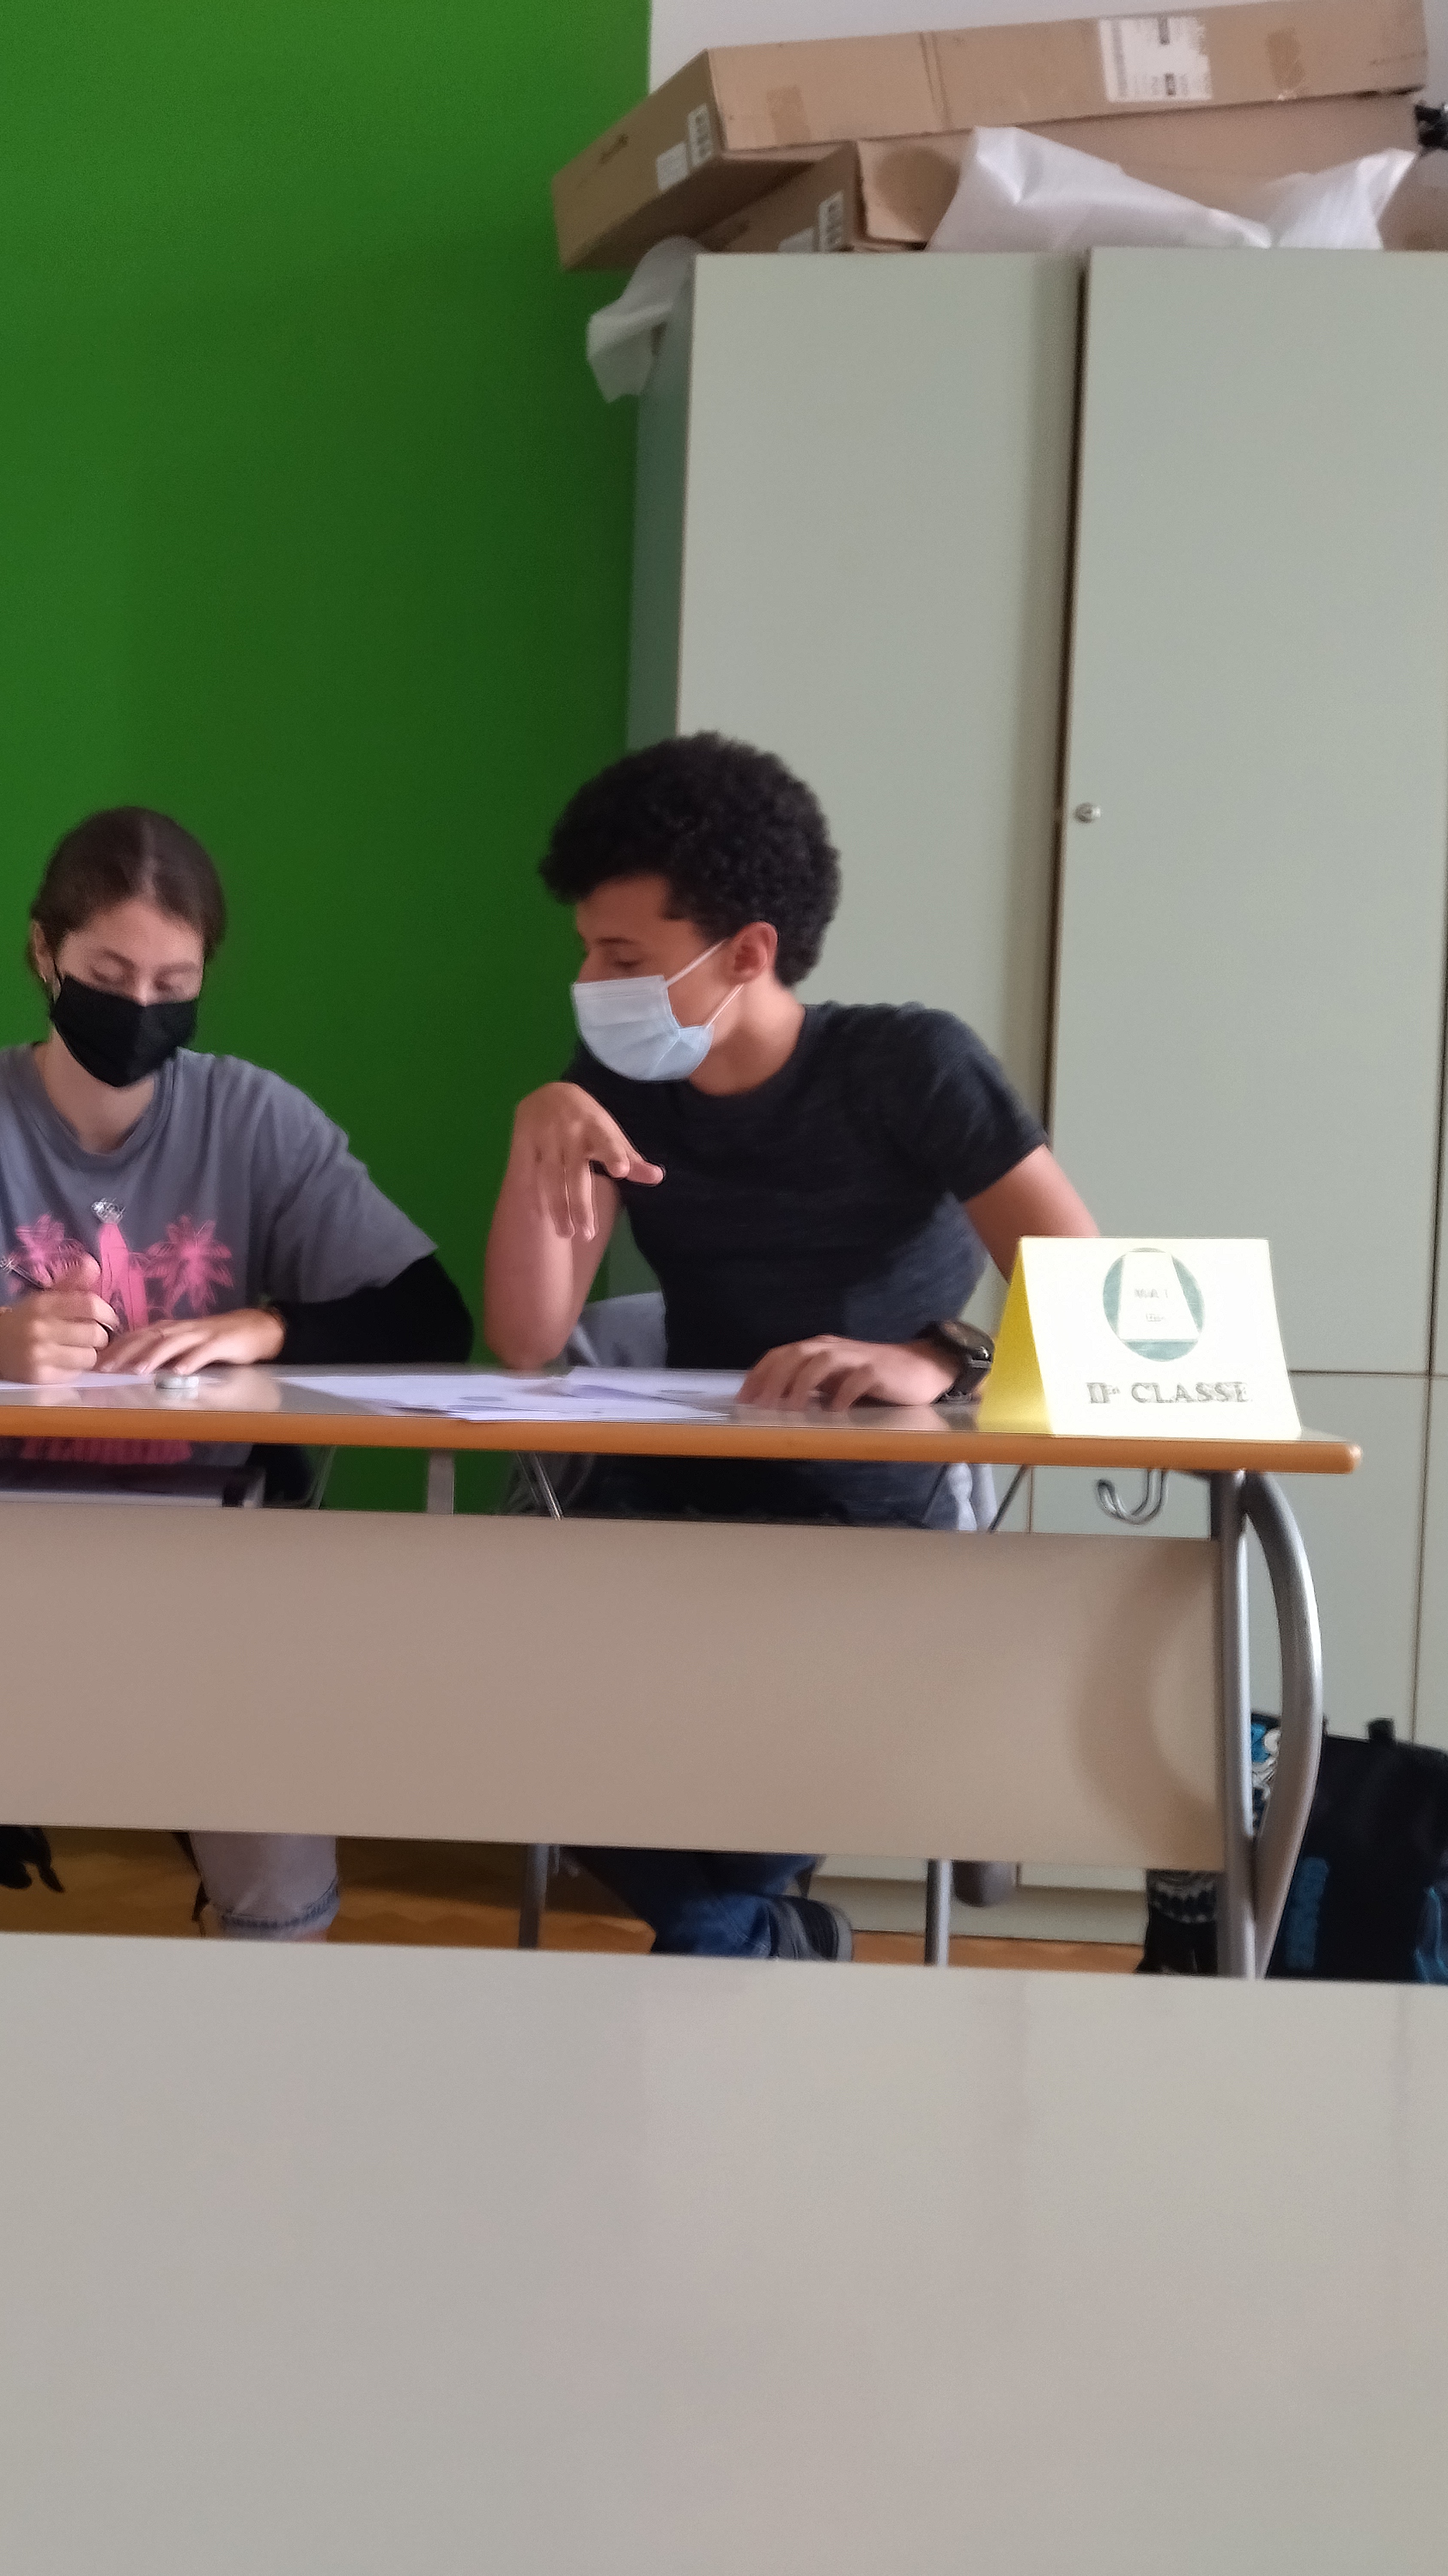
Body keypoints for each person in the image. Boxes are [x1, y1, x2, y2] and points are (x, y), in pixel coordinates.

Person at [0, 805, 471, 1939]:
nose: (139, 1008)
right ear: (45, 952)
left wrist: (267, 1326)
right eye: (111, 975)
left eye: (176, 983)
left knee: (280, 1906)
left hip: (210, 1550)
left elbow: (429, 1314)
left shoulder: (256, 1119)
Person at [482, 732, 1098, 1961]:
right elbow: (527, 1335)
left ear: (747, 952)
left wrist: (941, 1356)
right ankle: (762, 1937)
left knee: (747, 1803)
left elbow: (1091, 1301)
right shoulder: (622, 1081)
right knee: (504, 1698)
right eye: (587, 952)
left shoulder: (910, 1065)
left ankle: (744, 1931)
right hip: (672, 1510)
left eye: (624, 958)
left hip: (862, 1530)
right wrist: (535, 1131)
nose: (592, 984)